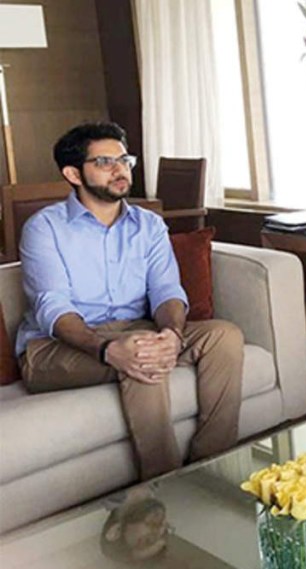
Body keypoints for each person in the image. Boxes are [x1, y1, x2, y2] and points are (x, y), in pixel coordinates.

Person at [16, 122, 243, 480]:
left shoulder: (148, 225)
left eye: (124, 160)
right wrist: (108, 349)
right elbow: (53, 308)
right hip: (54, 346)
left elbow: (166, 290)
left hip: (136, 327)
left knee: (223, 336)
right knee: (140, 356)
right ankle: (167, 486)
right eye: (104, 162)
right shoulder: (44, 228)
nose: (120, 170)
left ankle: (211, 469)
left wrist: (172, 334)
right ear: (73, 174)